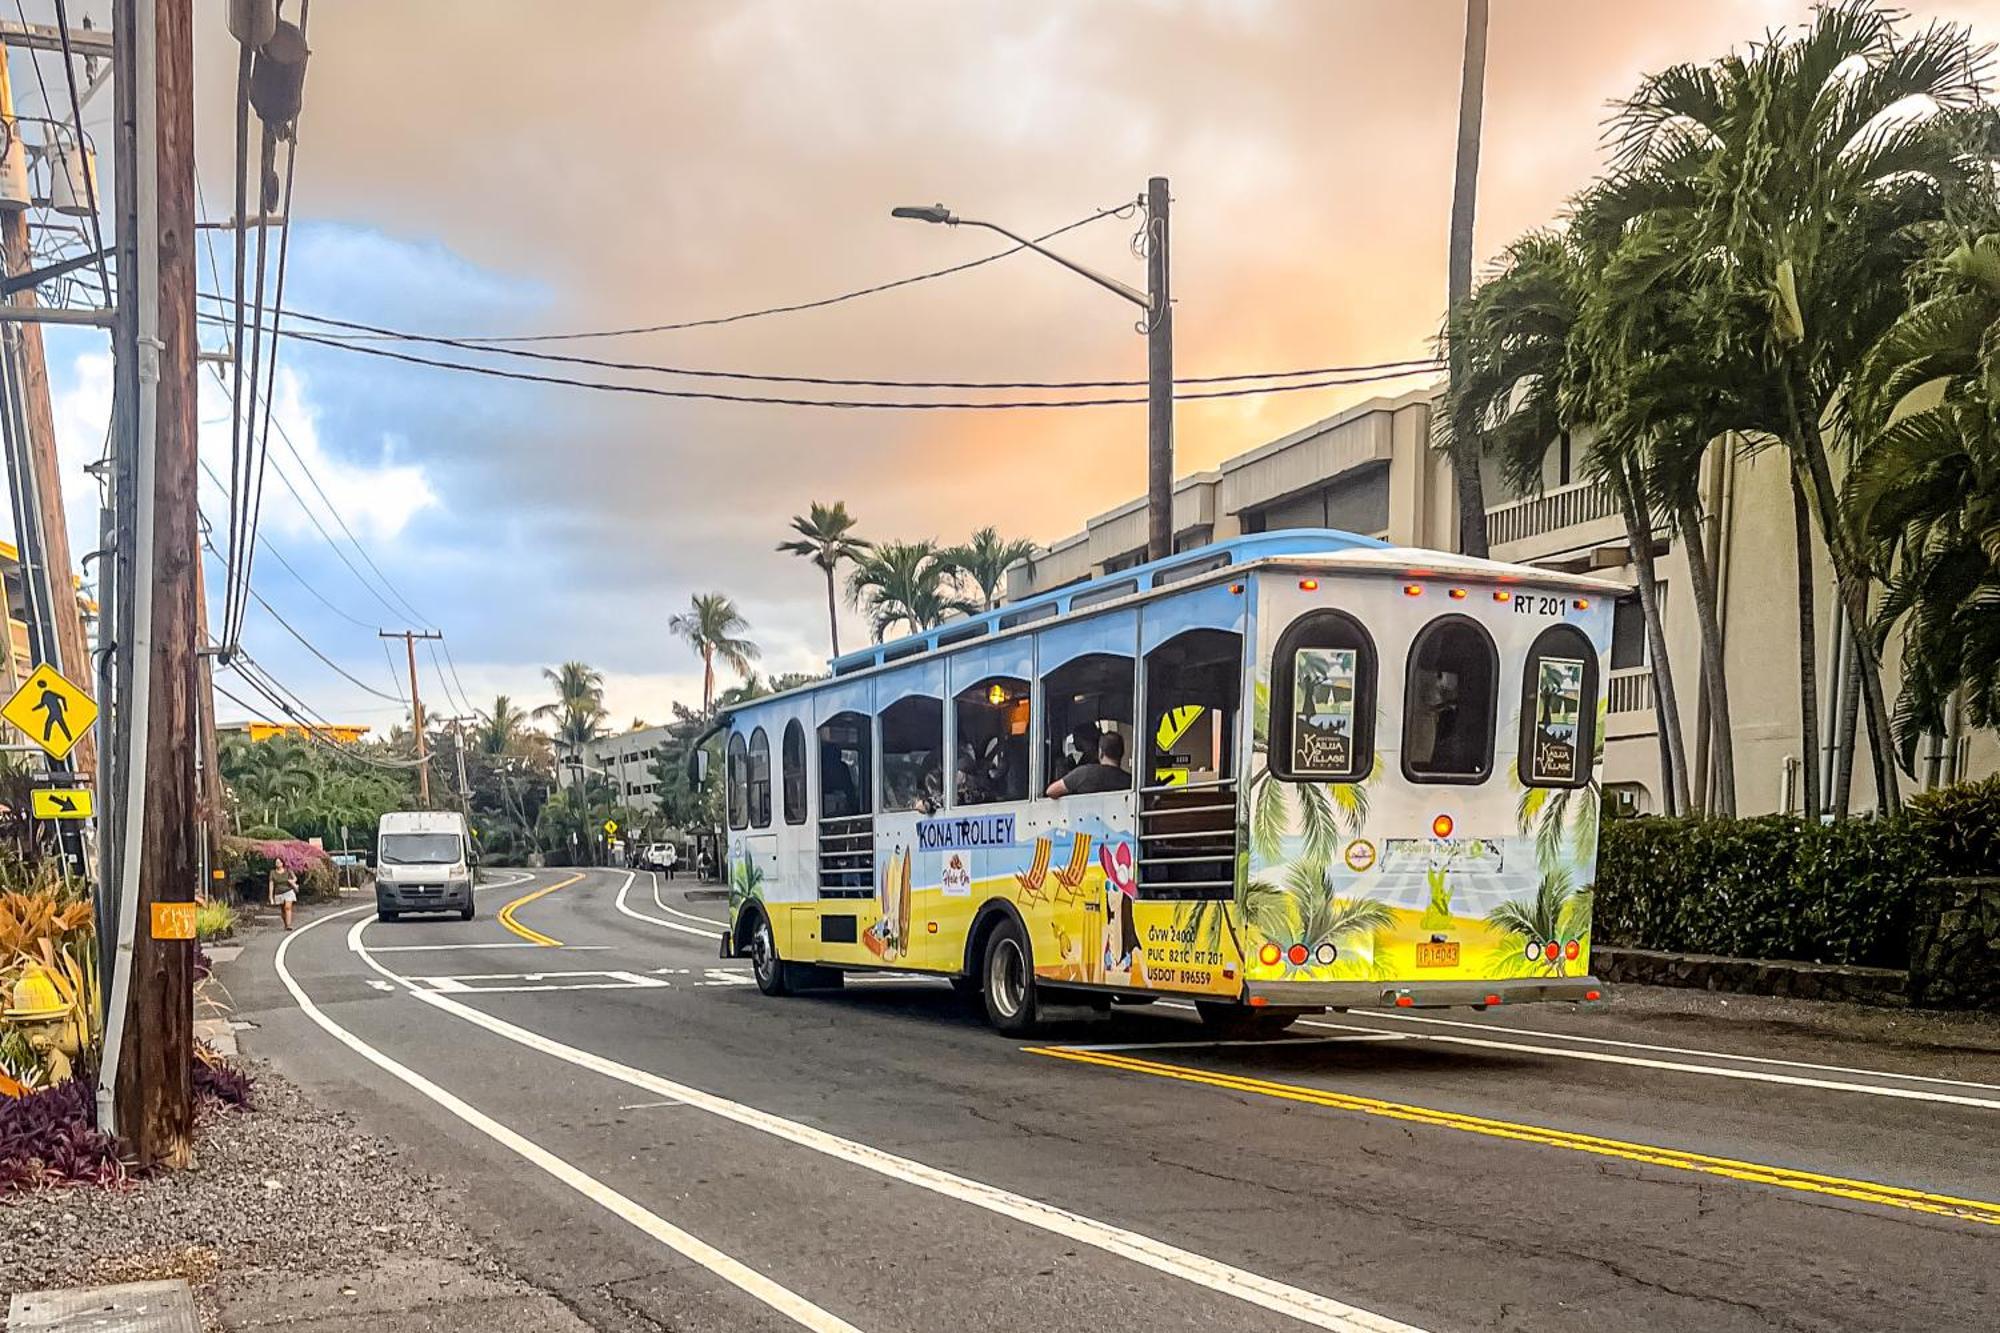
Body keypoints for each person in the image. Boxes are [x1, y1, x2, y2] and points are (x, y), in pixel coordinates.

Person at [1046, 730, 1129, 797]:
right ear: (1122, 753)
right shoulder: (1129, 781)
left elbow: (1051, 791)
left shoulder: (1083, 774)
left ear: (1100, 753)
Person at [269, 860, 299, 931]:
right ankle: (286, 924)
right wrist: (270, 896)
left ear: (282, 863)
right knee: (283, 910)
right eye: (276, 862)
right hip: (279, 893)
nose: (277, 864)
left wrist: (292, 881)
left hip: (288, 891)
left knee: (287, 907)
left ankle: (289, 925)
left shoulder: (288, 870)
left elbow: (295, 878)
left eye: (279, 862)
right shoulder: (273, 873)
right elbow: (271, 884)